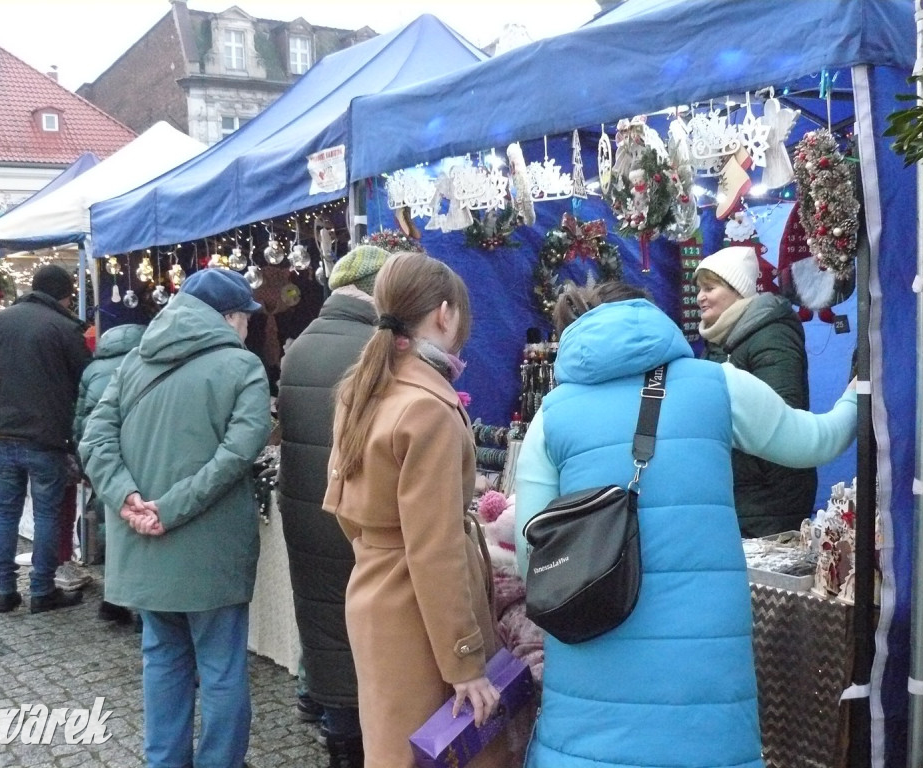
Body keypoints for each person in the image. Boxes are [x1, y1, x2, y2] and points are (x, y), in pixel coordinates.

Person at [515, 282, 857, 768]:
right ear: (656, 321)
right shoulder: (718, 384)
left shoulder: (549, 417)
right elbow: (815, 443)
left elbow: (534, 555)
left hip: (590, 660)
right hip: (702, 675)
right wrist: (855, 395)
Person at [79, 268, 271, 768]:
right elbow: (237, 455)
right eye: (246, 318)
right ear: (229, 317)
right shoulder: (242, 367)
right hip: (210, 549)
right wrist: (170, 507)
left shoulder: (132, 364)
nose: (248, 328)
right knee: (222, 669)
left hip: (143, 546)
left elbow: (94, 440)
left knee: (162, 659)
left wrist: (126, 499)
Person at [322, 251, 507, 768]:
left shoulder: (362, 389)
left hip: (375, 591)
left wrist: (379, 549)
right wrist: (465, 662)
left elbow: (341, 505)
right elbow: (436, 549)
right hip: (422, 613)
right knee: (449, 750)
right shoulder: (428, 406)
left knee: (394, 749)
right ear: (444, 314)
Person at [278, 244, 391, 768]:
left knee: (324, 627)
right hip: (357, 513)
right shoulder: (377, 348)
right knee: (370, 635)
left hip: (305, 512)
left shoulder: (299, 347)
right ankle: (363, 746)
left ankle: (338, 740)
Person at [0, 263, 91, 614]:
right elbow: (85, 386)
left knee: (5, 512)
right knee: (47, 515)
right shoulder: (65, 328)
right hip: (45, 437)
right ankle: (42, 590)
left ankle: (5, 591)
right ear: (65, 295)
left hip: (2, 435)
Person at [695, 245, 817, 537]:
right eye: (699, 289)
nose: (700, 297)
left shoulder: (771, 334)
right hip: (737, 492)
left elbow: (782, 418)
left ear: (737, 290)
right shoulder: (721, 339)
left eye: (709, 288)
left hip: (770, 497)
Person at [72, 322, 146, 625]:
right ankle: (144, 611)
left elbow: (80, 421)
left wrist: (85, 464)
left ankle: (112, 599)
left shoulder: (92, 370)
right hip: (137, 461)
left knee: (111, 529)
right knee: (140, 536)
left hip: (104, 462)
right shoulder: (142, 367)